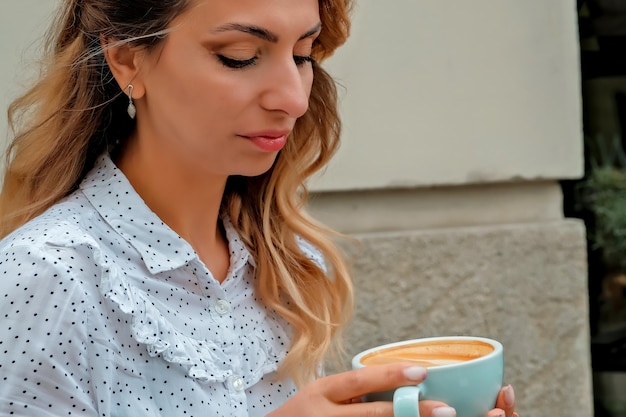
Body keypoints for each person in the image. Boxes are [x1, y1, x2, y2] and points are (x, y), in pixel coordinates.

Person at [0, 1, 518, 416]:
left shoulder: (286, 264)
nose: (292, 98)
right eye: (241, 55)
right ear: (128, 60)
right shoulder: (47, 275)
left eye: (302, 54)